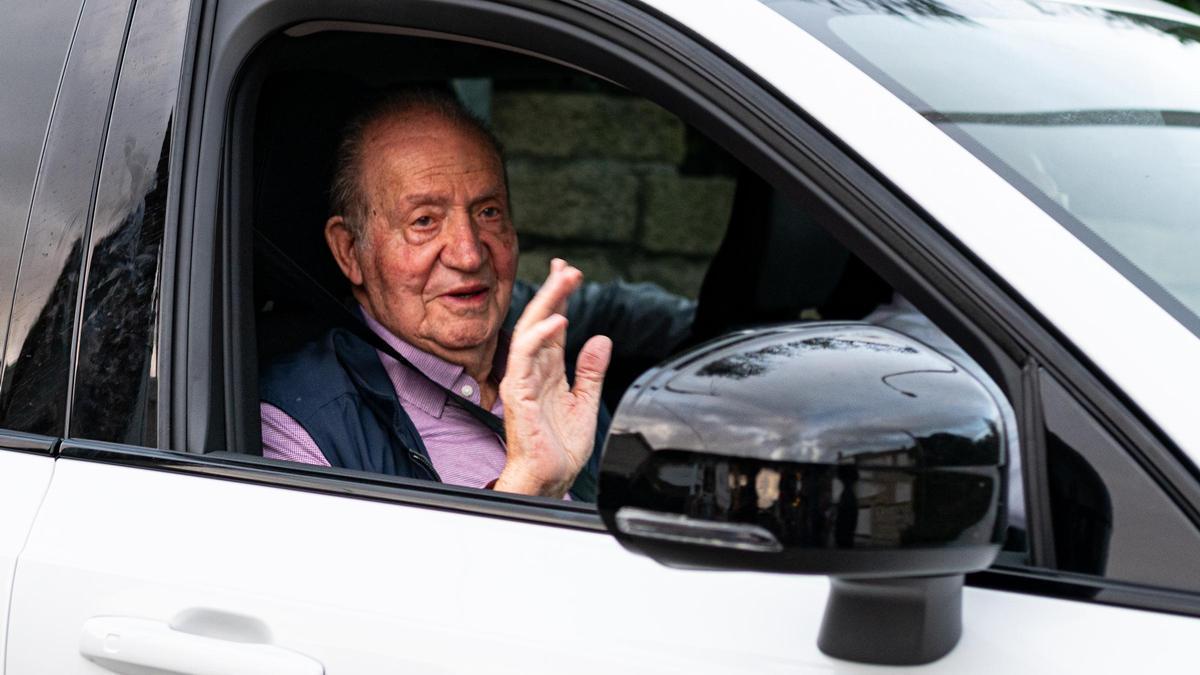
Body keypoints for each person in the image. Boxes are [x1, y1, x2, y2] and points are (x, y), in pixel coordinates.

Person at [259, 90, 694, 500]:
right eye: (424, 221)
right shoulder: (298, 426)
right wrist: (527, 486)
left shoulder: (551, 377)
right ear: (350, 251)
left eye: (488, 212)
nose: (468, 254)